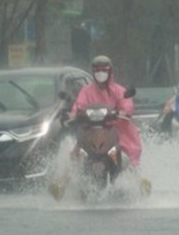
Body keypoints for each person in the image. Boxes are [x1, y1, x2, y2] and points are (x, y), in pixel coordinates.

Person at [49, 55, 151, 200]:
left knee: (126, 154)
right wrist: (72, 115)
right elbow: (79, 105)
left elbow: (126, 104)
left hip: (116, 132)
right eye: (97, 70)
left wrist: (122, 112)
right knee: (75, 153)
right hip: (90, 132)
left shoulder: (119, 90)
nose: (100, 73)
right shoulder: (86, 90)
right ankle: (61, 184)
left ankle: (140, 180)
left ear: (110, 72)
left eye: (104, 70)